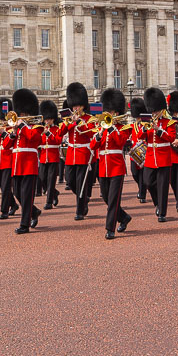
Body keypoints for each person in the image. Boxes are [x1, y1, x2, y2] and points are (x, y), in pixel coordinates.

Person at [90, 88, 133, 240]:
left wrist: (112, 127)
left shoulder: (124, 128)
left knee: (114, 199)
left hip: (116, 167)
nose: (109, 114)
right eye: (108, 111)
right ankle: (124, 217)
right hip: (103, 167)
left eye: (112, 112)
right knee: (106, 198)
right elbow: (93, 146)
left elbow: (121, 142)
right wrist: (100, 134)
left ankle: (110, 228)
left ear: (117, 113)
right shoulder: (101, 128)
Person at [7, 88, 43, 234]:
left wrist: (22, 126)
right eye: (19, 114)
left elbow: (34, 138)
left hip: (29, 165)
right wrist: (13, 132)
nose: (20, 116)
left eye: (23, 114)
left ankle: (24, 224)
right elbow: (7, 145)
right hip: (17, 165)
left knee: (27, 196)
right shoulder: (15, 128)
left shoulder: (36, 126)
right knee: (17, 193)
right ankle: (34, 212)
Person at [60, 82, 94, 221]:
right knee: (70, 180)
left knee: (81, 183)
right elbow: (60, 133)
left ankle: (80, 210)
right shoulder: (69, 119)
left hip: (83, 154)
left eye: (78, 106)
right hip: (71, 155)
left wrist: (79, 123)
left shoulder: (89, 119)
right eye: (74, 106)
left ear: (83, 105)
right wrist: (70, 123)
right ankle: (84, 198)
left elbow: (91, 134)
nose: (76, 108)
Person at [143, 87, 175, 222]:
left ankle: (162, 212)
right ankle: (157, 203)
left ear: (162, 109)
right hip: (150, 157)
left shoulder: (169, 123)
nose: (154, 112)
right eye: (153, 110)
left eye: (156, 110)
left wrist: (159, 130)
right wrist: (145, 129)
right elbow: (140, 136)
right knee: (148, 182)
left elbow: (171, 138)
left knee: (162, 186)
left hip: (163, 157)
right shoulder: (147, 122)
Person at [0, 98, 18, 219]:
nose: (0, 122)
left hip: (8, 161)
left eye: (2, 119)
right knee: (2, 186)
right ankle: (14, 205)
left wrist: (4, 133)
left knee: (6, 187)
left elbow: (7, 145)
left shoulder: (11, 130)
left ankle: (4, 210)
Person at [38, 100, 62, 210]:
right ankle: (54, 193)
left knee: (51, 180)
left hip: (53, 157)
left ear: (53, 118)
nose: (47, 121)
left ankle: (49, 202)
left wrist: (49, 134)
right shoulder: (41, 130)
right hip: (43, 157)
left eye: (49, 118)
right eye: (46, 118)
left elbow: (58, 141)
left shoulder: (57, 129)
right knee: (42, 179)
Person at [128, 97, 148, 204]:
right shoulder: (132, 125)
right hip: (134, 153)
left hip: (144, 152)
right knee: (135, 173)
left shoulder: (146, 125)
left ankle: (142, 193)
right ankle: (141, 188)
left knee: (143, 174)